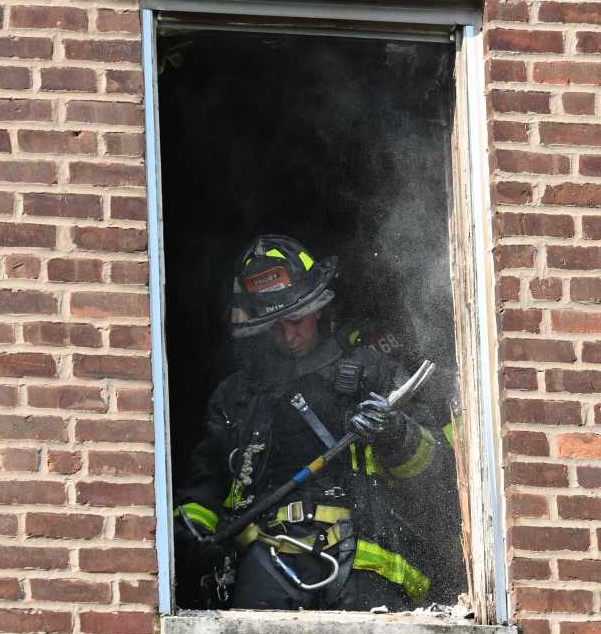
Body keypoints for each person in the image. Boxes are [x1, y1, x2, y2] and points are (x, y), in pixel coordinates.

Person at [173, 234, 451, 612]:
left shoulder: (374, 372)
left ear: (317, 308)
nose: (288, 336)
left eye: (295, 320)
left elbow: (440, 474)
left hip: (366, 564)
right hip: (268, 561)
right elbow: (207, 482)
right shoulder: (239, 396)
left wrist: (394, 432)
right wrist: (193, 531)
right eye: (274, 326)